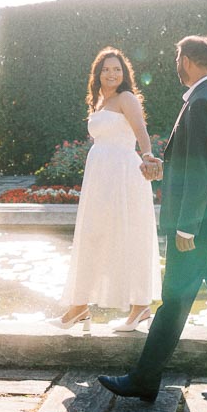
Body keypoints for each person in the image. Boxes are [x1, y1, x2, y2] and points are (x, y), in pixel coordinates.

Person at [99, 35, 207, 404]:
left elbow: (205, 170)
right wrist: (163, 168)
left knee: (174, 299)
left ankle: (144, 379)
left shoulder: (203, 102)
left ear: (187, 60)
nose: (175, 64)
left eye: (177, 58)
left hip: (201, 223)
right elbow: (201, 161)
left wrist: (187, 224)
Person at [55, 47, 162, 332]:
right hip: (100, 175)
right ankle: (80, 307)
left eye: (117, 69)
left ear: (124, 73)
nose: (112, 73)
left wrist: (148, 155)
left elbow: (141, 130)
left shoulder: (127, 98)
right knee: (93, 235)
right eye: (106, 69)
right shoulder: (100, 101)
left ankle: (139, 306)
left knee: (129, 235)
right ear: (98, 74)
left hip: (123, 174)